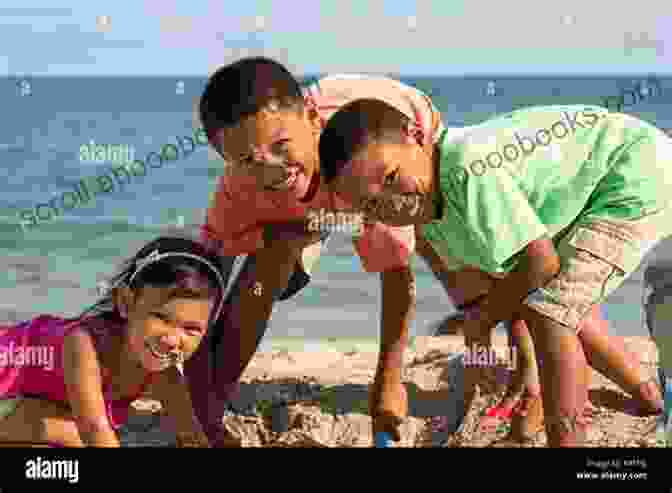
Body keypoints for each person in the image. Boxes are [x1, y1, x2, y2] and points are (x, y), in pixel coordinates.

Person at [317, 99, 672, 446]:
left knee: (552, 310)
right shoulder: (429, 218)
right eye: (373, 204)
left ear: (416, 135)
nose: (394, 202)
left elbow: (539, 264)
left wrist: (484, 320)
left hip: (634, 171)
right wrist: (478, 343)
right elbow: (500, 284)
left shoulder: (466, 168)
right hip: (586, 193)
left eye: (392, 177)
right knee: (555, 301)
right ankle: (648, 395)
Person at [188, 57, 447, 445]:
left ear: (310, 118)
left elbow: (395, 273)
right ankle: (215, 397)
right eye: (245, 160)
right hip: (317, 205)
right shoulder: (242, 184)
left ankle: (519, 356)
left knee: (442, 245)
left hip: (405, 138)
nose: (271, 169)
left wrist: (388, 386)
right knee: (270, 256)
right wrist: (194, 393)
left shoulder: (361, 167)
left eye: (280, 146)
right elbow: (203, 280)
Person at [0, 237, 228, 447]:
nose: (172, 340)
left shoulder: (165, 374)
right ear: (126, 302)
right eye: (161, 317)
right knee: (74, 433)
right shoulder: (84, 343)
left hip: (28, 399)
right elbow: (94, 429)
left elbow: (192, 437)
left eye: (191, 329)